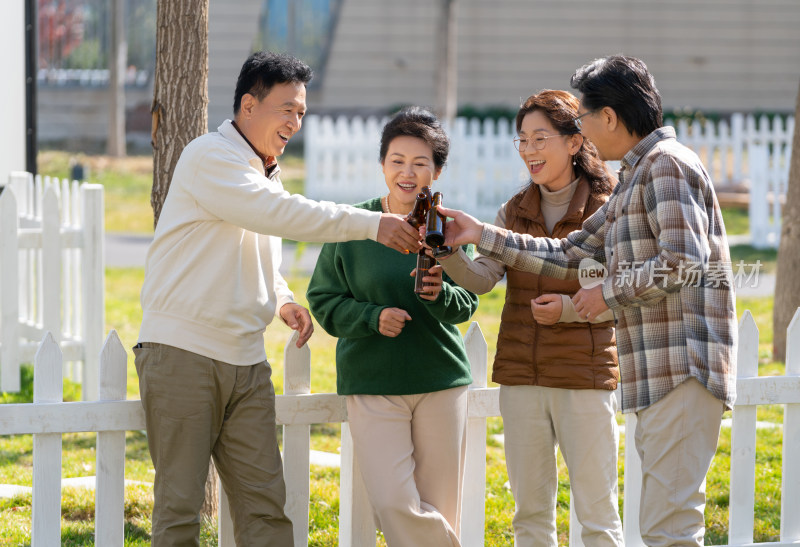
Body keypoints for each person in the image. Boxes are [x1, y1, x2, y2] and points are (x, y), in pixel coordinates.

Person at [437, 55, 737, 547]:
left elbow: (684, 259)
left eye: (585, 121)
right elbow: (568, 251)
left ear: (609, 118)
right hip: (664, 373)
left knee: (671, 531)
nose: (586, 134)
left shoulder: (665, 166)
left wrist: (604, 295)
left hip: (682, 368)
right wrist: (479, 233)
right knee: (665, 527)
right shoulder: (637, 176)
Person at [133, 51, 422, 546]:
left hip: (246, 361)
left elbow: (257, 237)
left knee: (266, 510)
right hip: (183, 354)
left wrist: (281, 296)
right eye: (285, 108)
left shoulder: (262, 169)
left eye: (301, 112)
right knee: (180, 509)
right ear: (248, 105)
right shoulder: (209, 156)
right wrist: (374, 225)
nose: (295, 122)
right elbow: (279, 215)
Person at [437, 89, 623, 546]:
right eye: (522, 140)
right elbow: (482, 279)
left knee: (597, 515)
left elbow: (627, 288)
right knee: (530, 515)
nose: (529, 151)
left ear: (574, 142)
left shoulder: (609, 207)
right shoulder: (515, 210)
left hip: (585, 375)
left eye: (540, 138)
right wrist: (447, 254)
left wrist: (569, 312)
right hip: (522, 378)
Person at [306, 107, 478, 547]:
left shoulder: (447, 229)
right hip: (373, 383)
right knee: (396, 505)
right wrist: (370, 317)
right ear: (383, 164)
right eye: (397, 160)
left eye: (420, 163)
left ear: (436, 171)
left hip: (440, 382)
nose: (407, 172)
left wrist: (439, 295)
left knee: (440, 509)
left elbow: (468, 302)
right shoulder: (355, 226)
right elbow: (323, 300)